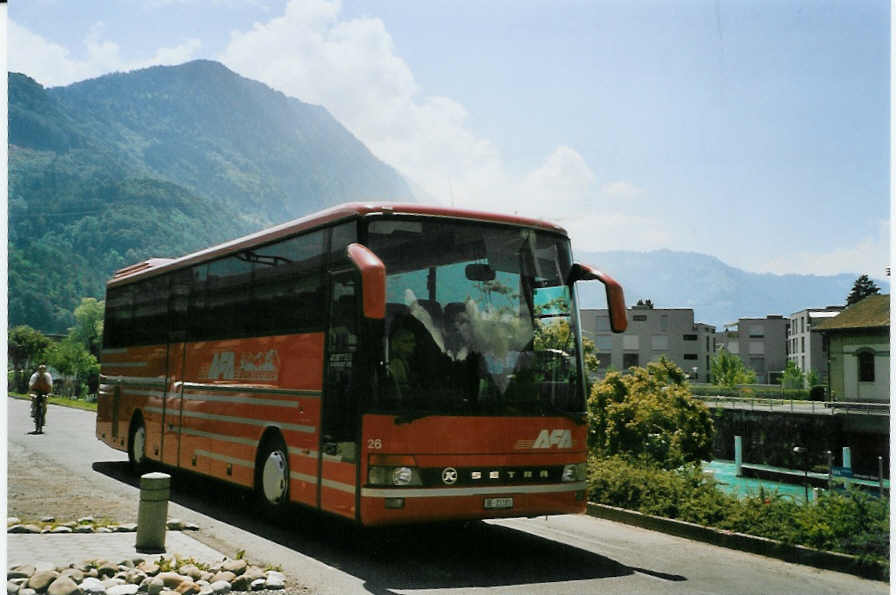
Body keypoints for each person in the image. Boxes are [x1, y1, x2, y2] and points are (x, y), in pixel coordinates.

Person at [28, 364, 53, 434]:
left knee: (44, 404)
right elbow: (30, 385)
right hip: (36, 391)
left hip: (44, 392)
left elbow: (50, 386)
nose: (42, 371)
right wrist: (31, 393)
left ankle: (43, 416)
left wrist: (49, 393)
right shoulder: (34, 376)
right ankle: (34, 412)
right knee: (34, 402)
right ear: (38, 370)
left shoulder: (47, 376)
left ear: (45, 370)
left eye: (43, 370)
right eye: (40, 370)